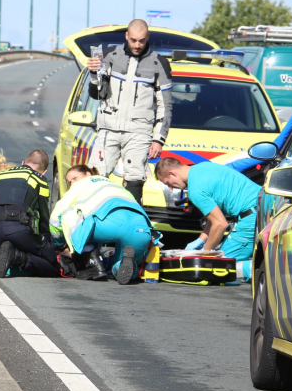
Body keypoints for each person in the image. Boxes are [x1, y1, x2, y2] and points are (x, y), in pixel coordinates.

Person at [85, 19, 172, 204]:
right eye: (133, 40)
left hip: (139, 131)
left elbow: (165, 105)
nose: (137, 45)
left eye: (141, 40)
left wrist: (158, 138)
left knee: (135, 178)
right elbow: (97, 94)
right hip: (108, 128)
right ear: (126, 36)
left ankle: (132, 224)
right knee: (93, 175)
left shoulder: (159, 63)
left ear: (148, 37)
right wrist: (94, 74)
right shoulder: (110, 55)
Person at [155, 157, 258, 281]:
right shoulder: (203, 166)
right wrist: (201, 240)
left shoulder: (195, 190)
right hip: (265, 204)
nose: (170, 188)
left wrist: (205, 253)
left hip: (251, 217)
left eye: (167, 183)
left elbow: (220, 224)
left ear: (172, 173)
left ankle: (262, 269)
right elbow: (214, 218)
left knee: (221, 269)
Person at [50, 165, 157, 283]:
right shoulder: (113, 184)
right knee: (123, 266)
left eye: (74, 178)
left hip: (110, 223)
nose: (72, 183)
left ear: (88, 174)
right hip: (141, 226)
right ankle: (123, 266)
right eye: (69, 182)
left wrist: (61, 244)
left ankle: (92, 261)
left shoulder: (80, 185)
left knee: (69, 213)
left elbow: (55, 219)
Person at [0, 150, 59, 278]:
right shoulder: (39, 180)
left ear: (22, 163)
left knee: (0, 243)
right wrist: (47, 245)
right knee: (53, 267)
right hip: (16, 231)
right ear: (44, 172)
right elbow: (44, 218)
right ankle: (18, 257)